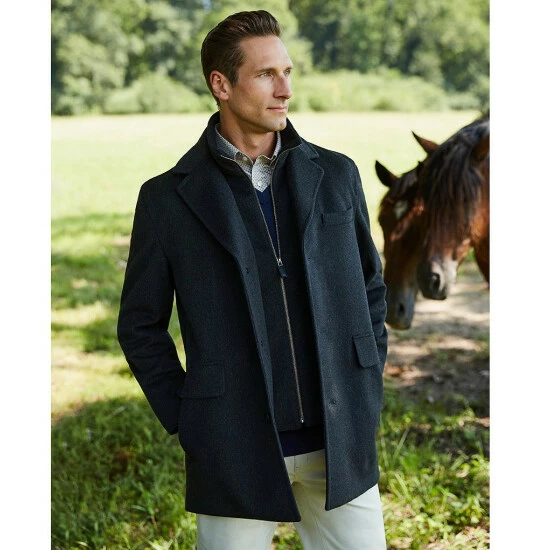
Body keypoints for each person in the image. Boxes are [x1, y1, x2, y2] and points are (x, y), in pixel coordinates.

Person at [117, 9, 388, 549]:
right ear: (221, 84)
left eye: (287, 72)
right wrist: (190, 418)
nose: (285, 89)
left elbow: (371, 289)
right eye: (266, 75)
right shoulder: (166, 199)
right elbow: (140, 325)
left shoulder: (338, 175)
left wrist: (364, 382)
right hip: (232, 449)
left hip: (341, 443)